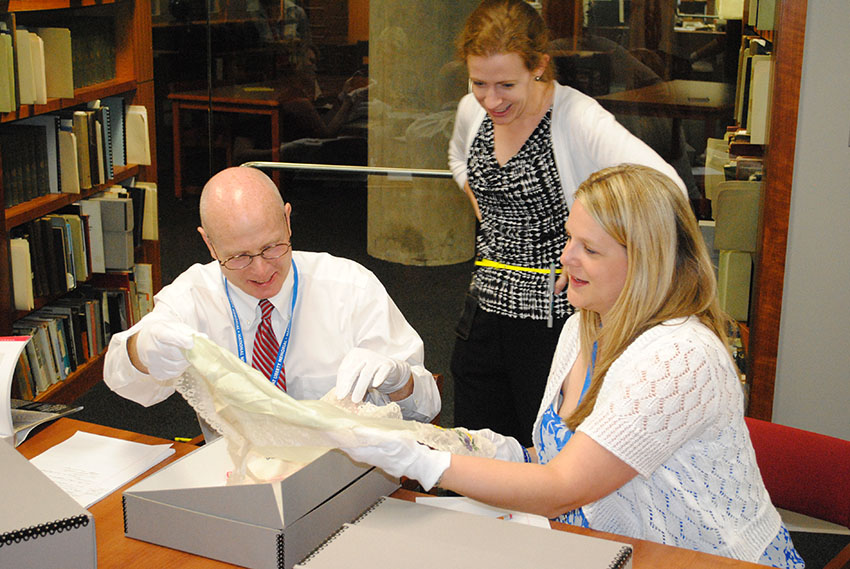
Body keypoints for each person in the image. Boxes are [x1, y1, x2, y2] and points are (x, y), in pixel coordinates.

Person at [341, 164, 804, 568]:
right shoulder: (582, 326)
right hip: (612, 548)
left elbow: (563, 486)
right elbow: (548, 460)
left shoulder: (681, 356)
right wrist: (428, 437)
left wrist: (422, 461)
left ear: (646, 264)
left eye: (590, 249)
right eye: (568, 237)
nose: (565, 258)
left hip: (708, 561)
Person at [447, 0, 687, 446]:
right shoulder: (471, 110)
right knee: (477, 450)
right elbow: (459, 160)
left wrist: (591, 250)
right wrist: (487, 211)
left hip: (551, 326)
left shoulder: (577, 119)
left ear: (539, 66)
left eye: (506, 84)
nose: (491, 99)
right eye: (479, 82)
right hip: (482, 312)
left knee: (543, 453)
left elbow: (666, 188)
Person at [103, 167, 440, 424]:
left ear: (288, 221)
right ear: (209, 243)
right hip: (236, 479)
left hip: (343, 468)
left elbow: (427, 409)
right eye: (239, 257)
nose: (261, 271)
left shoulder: (348, 287)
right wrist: (141, 351)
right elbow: (124, 381)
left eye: (272, 247)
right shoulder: (194, 295)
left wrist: (401, 379)